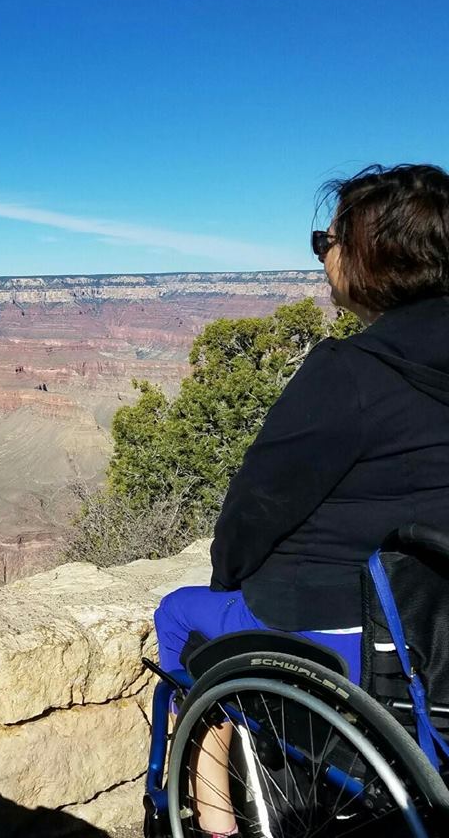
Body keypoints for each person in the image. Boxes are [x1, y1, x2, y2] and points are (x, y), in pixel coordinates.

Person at [154, 163, 449, 837]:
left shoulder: (348, 372)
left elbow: (251, 511)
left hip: (342, 652)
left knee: (181, 614)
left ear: (370, 259)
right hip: (439, 651)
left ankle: (214, 824)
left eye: (329, 241)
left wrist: (228, 580)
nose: (324, 256)